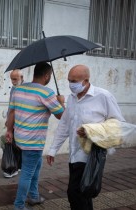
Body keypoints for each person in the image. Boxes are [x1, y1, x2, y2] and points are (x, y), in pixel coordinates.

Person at [46, 64, 125, 210]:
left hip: (92, 154)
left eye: (74, 81)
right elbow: (64, 124)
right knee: (84, 192)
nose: (71, 84)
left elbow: (118, 124)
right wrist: (53, 149)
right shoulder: (71, 98)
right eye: (69, 80)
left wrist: (91, 130)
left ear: (86, 80)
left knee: (75, 193)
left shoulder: (103, 96)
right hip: (74, 154)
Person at [6, 62, 65, 210]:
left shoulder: (18, 89)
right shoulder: (46, 93)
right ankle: (19, 205)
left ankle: (34, 196)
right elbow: (62, 116)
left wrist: (9, 130)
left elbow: (11, 112)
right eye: (50, 75)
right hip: (33, 141)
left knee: (36, 165)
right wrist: (61, 102)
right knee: (27, 172)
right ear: (46, 75)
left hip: (20, 137)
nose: (50, 78)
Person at [3, 69, 24, 178]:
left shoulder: (25, 89)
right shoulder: (13, 89)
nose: (13, 81)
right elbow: (11, 106)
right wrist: (8, 119)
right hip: (13, 120)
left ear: (22, 78)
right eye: (11, 79)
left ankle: (16, 166)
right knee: (12, 142)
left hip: (21, 121)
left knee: (18, 144)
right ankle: (14, 166)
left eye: (15, 79)